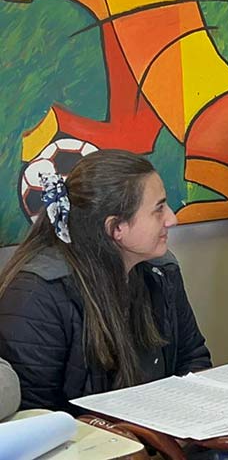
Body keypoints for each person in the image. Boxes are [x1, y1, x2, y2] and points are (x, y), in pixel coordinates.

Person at [0, 150, 211, 412]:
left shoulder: (161, 271)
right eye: (159, 209)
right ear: (116, 229)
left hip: (162, 437)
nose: (172, 218)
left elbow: (192, 358)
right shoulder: (37, 296)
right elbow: (34, 417)